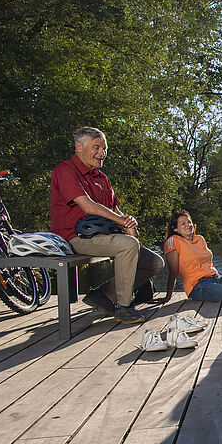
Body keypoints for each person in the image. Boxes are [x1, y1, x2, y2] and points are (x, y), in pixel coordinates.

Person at [50, 126, 164, 324]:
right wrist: (121, 222)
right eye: (96, 147)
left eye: (104, 148)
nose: (102, 153)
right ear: (79, 147)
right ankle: (124, 307)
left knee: (155, 262)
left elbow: (115, 210)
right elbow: (88, 206)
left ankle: (103, 295)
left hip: (104, 235)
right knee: (127, 245)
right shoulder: (64, 170)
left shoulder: (102, 178)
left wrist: (128, 221)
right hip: (75, 238)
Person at [161, 210, 222, 309]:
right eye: (183, 223)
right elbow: (173, 271)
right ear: (175, 228)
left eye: (189, 222)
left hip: (216, 280)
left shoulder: (200, 239)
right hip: (198, 287)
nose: (188, 225)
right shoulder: (174, 241)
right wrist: (168, 296)